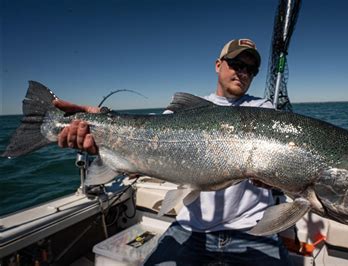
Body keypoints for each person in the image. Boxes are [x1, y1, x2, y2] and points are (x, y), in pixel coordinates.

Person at [54, 38, 293, 265]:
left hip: (252, 230)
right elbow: (147, 133)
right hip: (191, 228)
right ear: (218, 65)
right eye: (237, 64)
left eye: (251, 70)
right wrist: (103, 122)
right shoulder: (188, 109)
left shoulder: (262, 109)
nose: (243, 72)